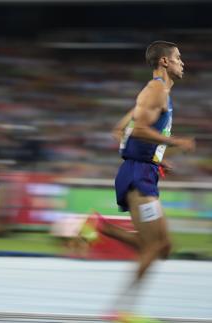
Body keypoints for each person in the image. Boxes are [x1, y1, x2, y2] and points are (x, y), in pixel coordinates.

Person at [80, 41, 195, 322]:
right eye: (178, 58)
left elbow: (119, 130)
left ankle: (99, 226)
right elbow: (139, 129)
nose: (183, 63)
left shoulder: (158, 92)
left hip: (143, 170)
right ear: (165, 62)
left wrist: (155, 156)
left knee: (162, 246)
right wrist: (173, 142)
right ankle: (121, 312)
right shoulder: (155, 90)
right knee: (154, 246)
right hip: (138, 175)